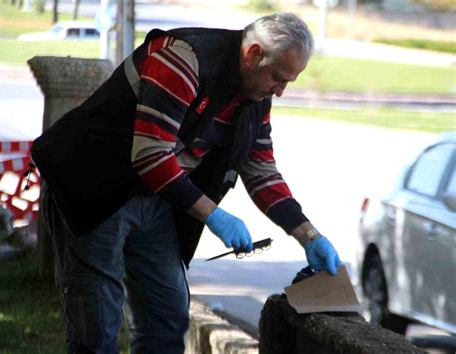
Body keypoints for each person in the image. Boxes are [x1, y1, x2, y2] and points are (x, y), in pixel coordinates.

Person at [31, 12, 342, 354]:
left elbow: (263, 172)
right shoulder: (183, 57)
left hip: (158, 198)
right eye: (278, 78)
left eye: (288, 83)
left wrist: (308, 235)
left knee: (167, 317)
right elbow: (151, 154)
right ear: (253, 53)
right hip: (94, 187)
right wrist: (214, 216)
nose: (280, 92)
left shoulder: (256, 96)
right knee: (97, 327)